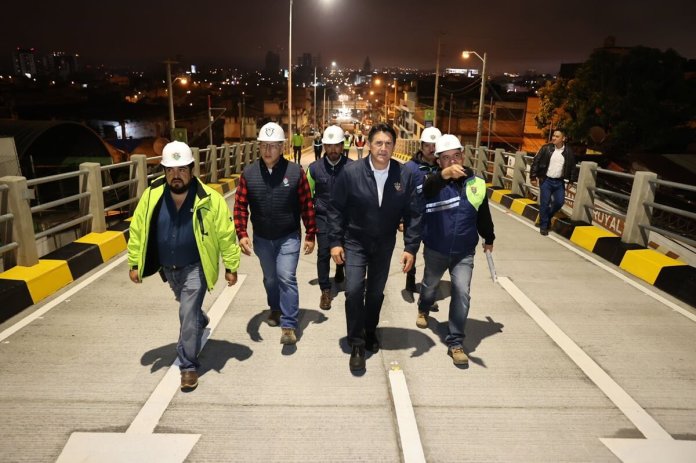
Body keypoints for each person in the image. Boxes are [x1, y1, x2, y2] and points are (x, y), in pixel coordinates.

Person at [127, 141, 241, 391]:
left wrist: (231, 267)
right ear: (164, 172)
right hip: (168, 269)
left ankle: (188, 366)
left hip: (195, 267)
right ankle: (200, 317)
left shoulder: (210, 199)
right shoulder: (152, 195)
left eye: (181, 170)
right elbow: (138, 230)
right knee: (189, 310)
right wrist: (134, 262)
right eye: (170, 170)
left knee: (186, 314)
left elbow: (225, 234)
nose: (176, 175)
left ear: (192, 169)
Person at [329, 123, 421, 371]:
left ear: (394, 146)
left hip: (384, 243)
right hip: (355, 241)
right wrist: (335, 242)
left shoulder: (404, 175)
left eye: (388, 143)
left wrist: (410, 247)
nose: (383, 148)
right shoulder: (351, 173)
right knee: (354, 290)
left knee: (376, 292)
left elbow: (413, 214)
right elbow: (335, 208)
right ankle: (357, 343)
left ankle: (370, 330)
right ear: (368, 144)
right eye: (378, 143)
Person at [234, 122, 317, 345]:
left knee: (286, 276)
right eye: (264, 146)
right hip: (262, 238)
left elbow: (306, 204)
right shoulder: (249, 174)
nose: (268, 151)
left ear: (282, 147)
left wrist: (311, 233)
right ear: (258, 147)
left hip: (288, 236)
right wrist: (241, 233)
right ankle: (275, 307)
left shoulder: (295, 172)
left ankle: (289, 324)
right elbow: (240, 205)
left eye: (273, 146)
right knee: (270, 278)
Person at [416, 134, 495, 366]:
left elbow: (483, 214)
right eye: (446, 158)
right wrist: (443, 176)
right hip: (435, 249)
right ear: (438, 161)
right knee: (430, 286)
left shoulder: (477, 183)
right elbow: (427, 188)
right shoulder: (432, 182)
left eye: (456, 156)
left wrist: (489, 237)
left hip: (464, 251)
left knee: (461, 293)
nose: (452, 162)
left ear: (463, 156)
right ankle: (423, 308)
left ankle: (456, 342)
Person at [306, 125, 352, 310]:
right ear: (324, 146)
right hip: (323, 217)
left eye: (336, 146)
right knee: (323, 252)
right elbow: (307, 197)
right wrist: (309, 227)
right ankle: (325, 290)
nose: (333, 150)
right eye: (329, 146)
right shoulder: (314, 169)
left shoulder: (352, 168)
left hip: (346, 219)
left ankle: (341, 268)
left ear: (342, 146)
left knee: (348, 252)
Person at [402, 126, 441, 293]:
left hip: (437, 219)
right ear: (421, 146)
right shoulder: (410, 168)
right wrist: (402, 219)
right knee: (412, 249)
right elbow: (401, 194)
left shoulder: (443, 167)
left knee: (433, 255)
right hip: (414, 216)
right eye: (427, 145)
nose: (431, 149)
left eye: (435, 145)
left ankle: (428, 286)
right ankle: (410, 277)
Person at [530, 129, 576, 235]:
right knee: (544, 204)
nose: (554, 138)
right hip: (546, 180)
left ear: (563, 139)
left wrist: (571, 181)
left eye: (557, 136)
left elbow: (572, 167)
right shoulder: (546, 148)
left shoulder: (568, 151)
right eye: (553, 136)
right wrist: (533, 177)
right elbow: (535, 162)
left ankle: (547, 217)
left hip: (559, 182)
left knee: (559, 202)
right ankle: (544, 225)